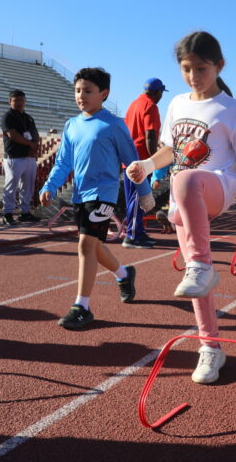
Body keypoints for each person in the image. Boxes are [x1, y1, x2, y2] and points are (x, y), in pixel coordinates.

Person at [126, 31, 236, 385]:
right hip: (185, 194)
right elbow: (170, 152)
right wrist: (146, 164)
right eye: (186, 69)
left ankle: (203, 264)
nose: (192, 76)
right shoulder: (176, 105)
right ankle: (210, 346)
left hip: (218, 185)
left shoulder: (232, 109)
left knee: (186, 181)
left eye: (200, 68)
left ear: (219, 66)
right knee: (195, 280)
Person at [39, 67, 154, 330]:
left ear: (104, 94)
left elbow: (132, 162)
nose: (81, 96)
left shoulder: (113, 125)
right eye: (78, 90)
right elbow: (63, 162)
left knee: (85, 246)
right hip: (80, 194)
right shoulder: (71, 125)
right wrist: (50, 185)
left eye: (88, 91)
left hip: (104, 194)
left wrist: (145, 193)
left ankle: (82, 306)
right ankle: (124, 274)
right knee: (95, 246)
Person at [121, 77, 167, 248]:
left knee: (137, 198)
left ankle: (137, 231)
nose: (161, 97)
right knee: (137, 198)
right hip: (141, 160)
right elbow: (150, 136)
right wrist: (155, 160)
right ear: (157, 92)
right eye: (161, 93)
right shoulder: (150, 106)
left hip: (130, 158)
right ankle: (132, 235)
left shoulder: (134, 104)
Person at [1, 90, 40, 225]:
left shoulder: (28, 117)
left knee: (28, 186)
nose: (19, 103)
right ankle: (7, 213)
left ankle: (25, 212)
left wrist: (34, 147)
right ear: (10, 101)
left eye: (21, 100)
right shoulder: (8, 116)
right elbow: (12, 135)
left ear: (25, 101)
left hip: (29, 157)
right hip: (14, 157)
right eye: (16, 100)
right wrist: (30, 144)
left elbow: (35, 134)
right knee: (11, 186)